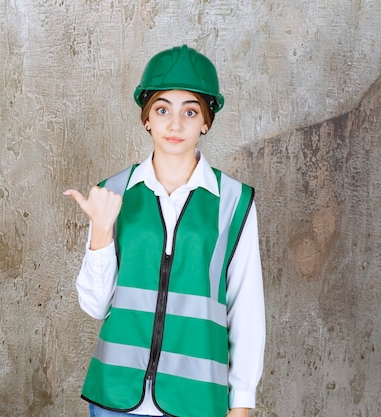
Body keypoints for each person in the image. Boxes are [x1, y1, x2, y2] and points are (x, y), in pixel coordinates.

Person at [64, 45, 265, 417]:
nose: (175, 125)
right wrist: (101, 232)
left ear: (206, 120)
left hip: (196, 400)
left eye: (190, 111)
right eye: (162, 110)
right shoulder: (114, 193)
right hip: (115, 398)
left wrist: (241, 403)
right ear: (147, 119)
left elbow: (246, 308)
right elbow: (95, 307)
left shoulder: (234, 201)